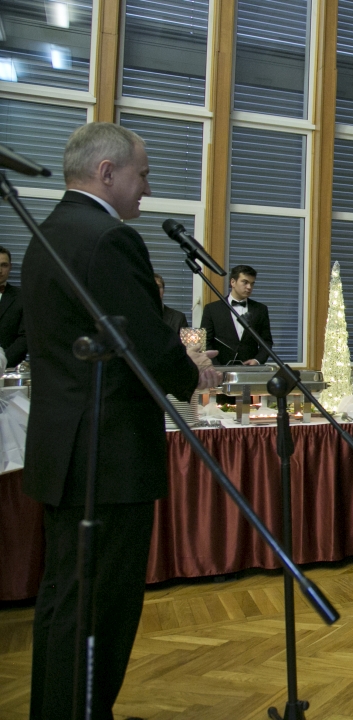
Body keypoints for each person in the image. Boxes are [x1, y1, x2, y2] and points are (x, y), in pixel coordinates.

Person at [20, 122, 221, 720]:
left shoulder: (47, 232)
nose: (147, 189)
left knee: (66, 603)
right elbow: (143, 344)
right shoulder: (109, 239)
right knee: (101, 608)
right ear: (107, 172)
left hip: (64, 450)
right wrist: (192, 371)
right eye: (143, 174)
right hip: (107, 456)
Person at [200, 264, 273, 366]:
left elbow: (266, 341)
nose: (249, 287)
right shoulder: (212, 309)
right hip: (219, 367)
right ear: (233, 282)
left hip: (249, 369)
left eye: (252, 283)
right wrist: (216, 366)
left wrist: (257, 360)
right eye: (245, 282)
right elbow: (205, 342)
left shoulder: (260, 309)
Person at [0, 246, 28, 368]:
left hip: (9, 370)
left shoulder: (22, 297)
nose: (0, 270)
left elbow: (25, 338)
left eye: (4, 265)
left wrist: (2, 363)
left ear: (10, 267)